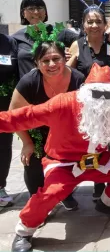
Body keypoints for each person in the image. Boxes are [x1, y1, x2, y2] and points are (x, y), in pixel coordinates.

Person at [0, 63, 110, 252]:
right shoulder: (63, 103)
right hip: (63, 162)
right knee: (51, 193)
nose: (101, 101)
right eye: (96, 95)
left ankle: (108, 204)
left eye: (106, 97)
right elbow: (27, 115)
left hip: (98, 160)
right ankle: (24, 231)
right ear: (85, 93)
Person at [10, 29, 85, 211]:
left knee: (66, 164)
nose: (51, 64)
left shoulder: (78, 79)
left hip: (66, 131)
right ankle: (37, 204)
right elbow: (14, 114)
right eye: (45, 60)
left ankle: (64, 193)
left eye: (56, 59)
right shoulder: (29, 82)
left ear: (64, 58)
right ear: (36, 63)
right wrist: (27, 143)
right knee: (34, 162)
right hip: (37, 130)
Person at [68, 4, 110, 202]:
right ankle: (98, 183)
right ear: (84, 25)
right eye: (90, 21)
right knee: (93, 146)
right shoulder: (77, 45)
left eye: (98, 21)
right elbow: (69, 73)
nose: (94, 25)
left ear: (105, 25)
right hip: (88, 107)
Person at [11, 0, 79, 79]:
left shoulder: (58, 31)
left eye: (40, 8)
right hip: (28, 89)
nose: (36, 12)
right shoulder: (16, 38)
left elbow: (83, 39)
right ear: (23, 13)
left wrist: (68, 54)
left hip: (58, 86)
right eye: (31, 8)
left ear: (45, 12)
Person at [0, 33, 17, 206]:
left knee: (3, 146)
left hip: (3, 103)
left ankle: (0, 187)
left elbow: (11, 66)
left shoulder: (6, 41)